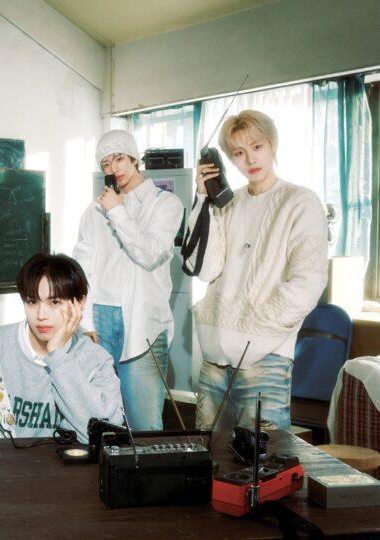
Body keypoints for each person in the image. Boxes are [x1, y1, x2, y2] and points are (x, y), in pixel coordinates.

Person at [186, 109, 328, 432]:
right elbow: (204, 269)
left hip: (265, 360)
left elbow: (309, 281)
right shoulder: (228, 203)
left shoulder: (301, 201)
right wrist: (203, 200)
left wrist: (258, 328)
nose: (250, 159)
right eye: (238, 152)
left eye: (257, 146)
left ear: (272, 143)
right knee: (208, 458)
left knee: (263, 460)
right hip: (214, 360)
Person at [0, 253, 123, 441]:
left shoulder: (96, 361)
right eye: (32, 301)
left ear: (80, 302)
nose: (41, 315)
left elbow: (104, 436)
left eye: (54, 302)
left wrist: (58, 356)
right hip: (1, 459)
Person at [72, 129, 184, 431]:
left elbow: (149, 252)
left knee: (144, 424)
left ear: (135, 158)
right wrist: (86, 322)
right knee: (99, 420)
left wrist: (117, 210)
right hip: (100, 318)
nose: (114, 168)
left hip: (143, 324)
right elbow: (82, 266)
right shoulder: (94, 210)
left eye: (119, 158)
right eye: (106, 164)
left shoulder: (165, 203)